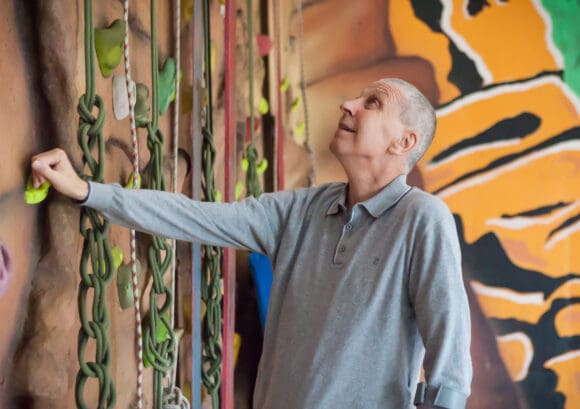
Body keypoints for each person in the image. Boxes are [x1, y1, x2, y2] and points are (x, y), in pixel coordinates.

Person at [31, 78, 472, 409]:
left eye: (372, 103)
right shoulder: (302, 210)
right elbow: (194, 217)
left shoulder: (423, 219)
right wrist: (89, 191)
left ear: (405, 142)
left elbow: (450, 366)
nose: (348, 104)